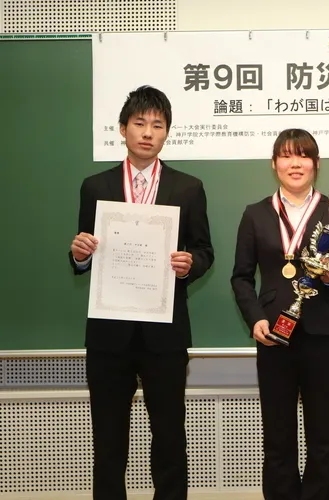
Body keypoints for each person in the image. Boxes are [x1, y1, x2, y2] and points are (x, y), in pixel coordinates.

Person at [69, 85, 214, 500]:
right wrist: (79, 255)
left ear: (167, 132)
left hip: (164, 334)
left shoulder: (188, 187)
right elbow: (84, 252)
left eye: (158, 125)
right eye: (139, 123)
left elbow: (204, 251)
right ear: (123, 129)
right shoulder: (95, 186)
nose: (148, 132)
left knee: (168, 437)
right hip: (108, 334)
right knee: (108, 440)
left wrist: (190, 263)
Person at [231, 128, 329, 500]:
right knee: (277, 434)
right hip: (273, 332)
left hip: (323, 331)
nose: (295, 163)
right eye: (287, 155)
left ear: (316, 164)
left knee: (323, 434)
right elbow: (241, 277)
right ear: (274, 163)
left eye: (303, 156)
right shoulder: (256, 214)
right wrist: (255, 318)